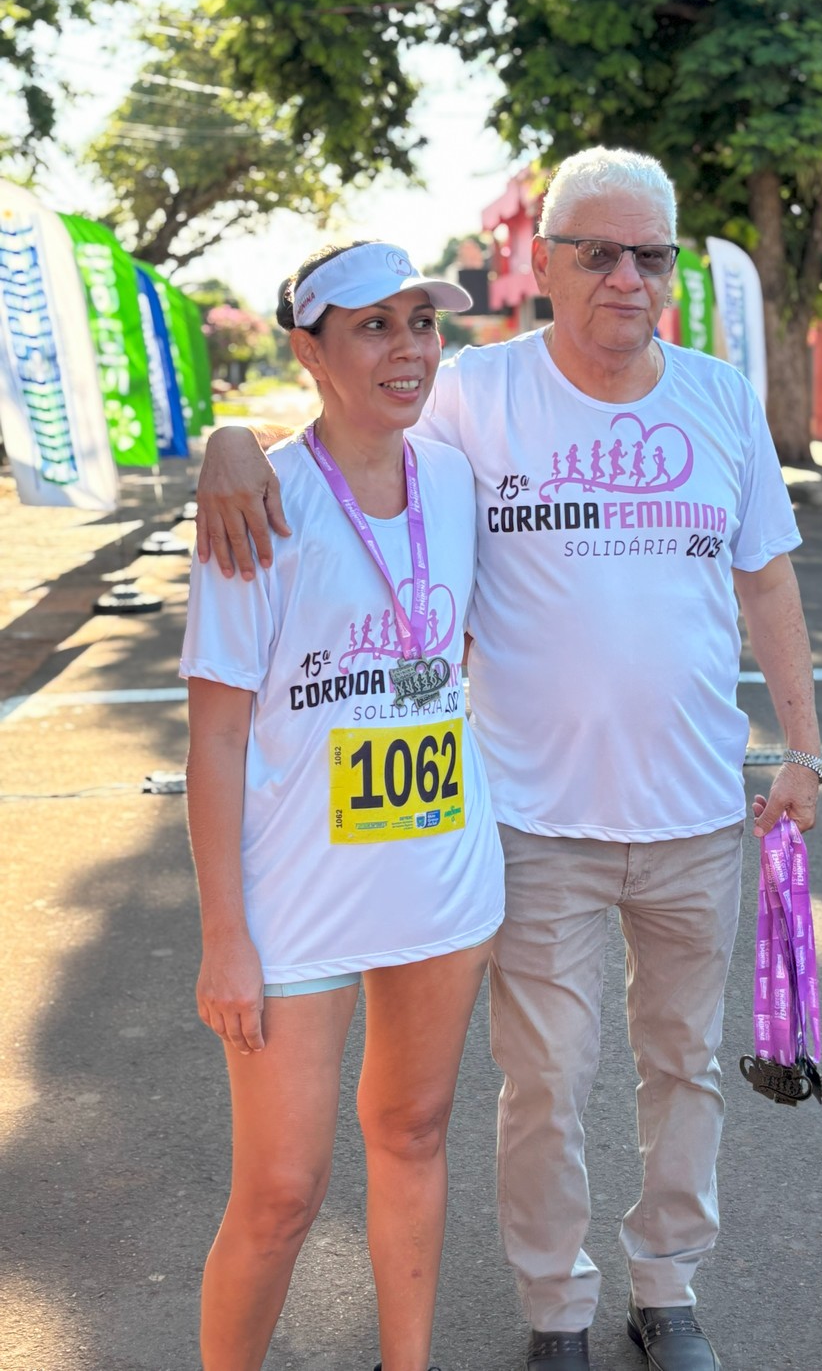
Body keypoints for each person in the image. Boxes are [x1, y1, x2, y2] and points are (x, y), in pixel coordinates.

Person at [195, 148, 822, 1371]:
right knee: (539, 1087)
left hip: (697, 811)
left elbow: (768, 573)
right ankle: (555, 1312)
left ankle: (666, 1287)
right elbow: (348, 417)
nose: (626, 277)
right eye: (598, 252)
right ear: (548, 260)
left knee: (682, 1067)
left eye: (652, 254)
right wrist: (232, 433)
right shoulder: (481, 394)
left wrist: (803, 741)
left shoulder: (719, 397)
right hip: (530, 822)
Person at [181, 240, 504, 1371]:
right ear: (308, 350)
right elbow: (216, 737)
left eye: (422, 322)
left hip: (437, 879)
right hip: (297, 899)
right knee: (279, 1190)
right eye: (374, 327)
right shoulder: (257, 505)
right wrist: (226, 935)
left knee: (412, 1133)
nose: (409, 348)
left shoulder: (459, 478)